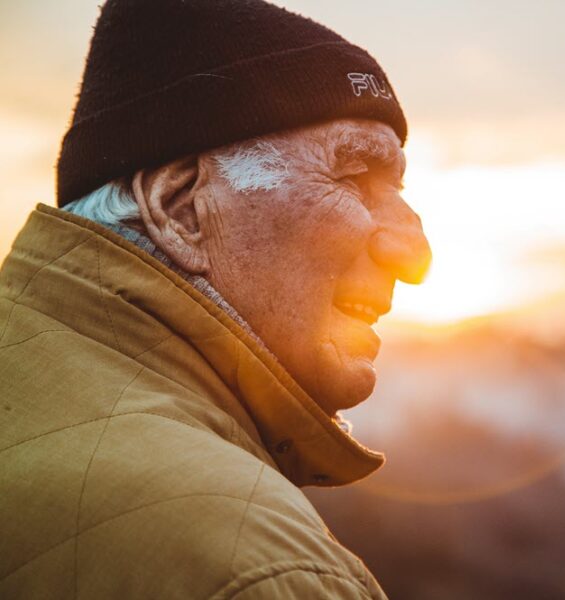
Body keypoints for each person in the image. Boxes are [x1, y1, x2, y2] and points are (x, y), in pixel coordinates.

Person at [0, 1, 430, 598]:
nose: (414, 254)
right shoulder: (261, 569)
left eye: (399, 191)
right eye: (353, 176)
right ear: (180, 210)